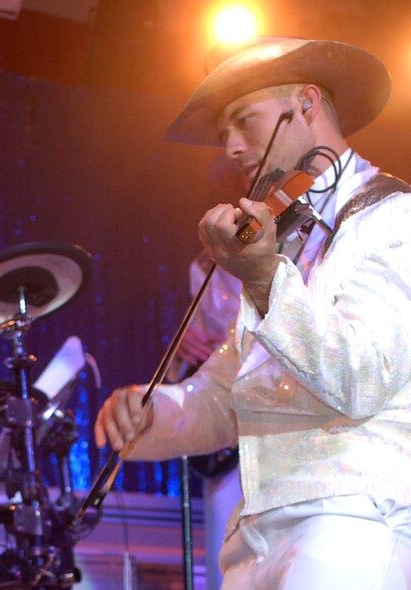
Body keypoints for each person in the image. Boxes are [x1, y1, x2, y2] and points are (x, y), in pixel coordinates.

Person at [94, 36, 411, 588]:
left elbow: (363, 376)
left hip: (353, 521)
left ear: (307, 103)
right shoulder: (283, 240)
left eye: (246, 122)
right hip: (257, 539)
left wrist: (263, 277)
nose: (234, 148)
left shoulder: (393, 217)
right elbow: (229, 393)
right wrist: (155, 413)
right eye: (226, 136)